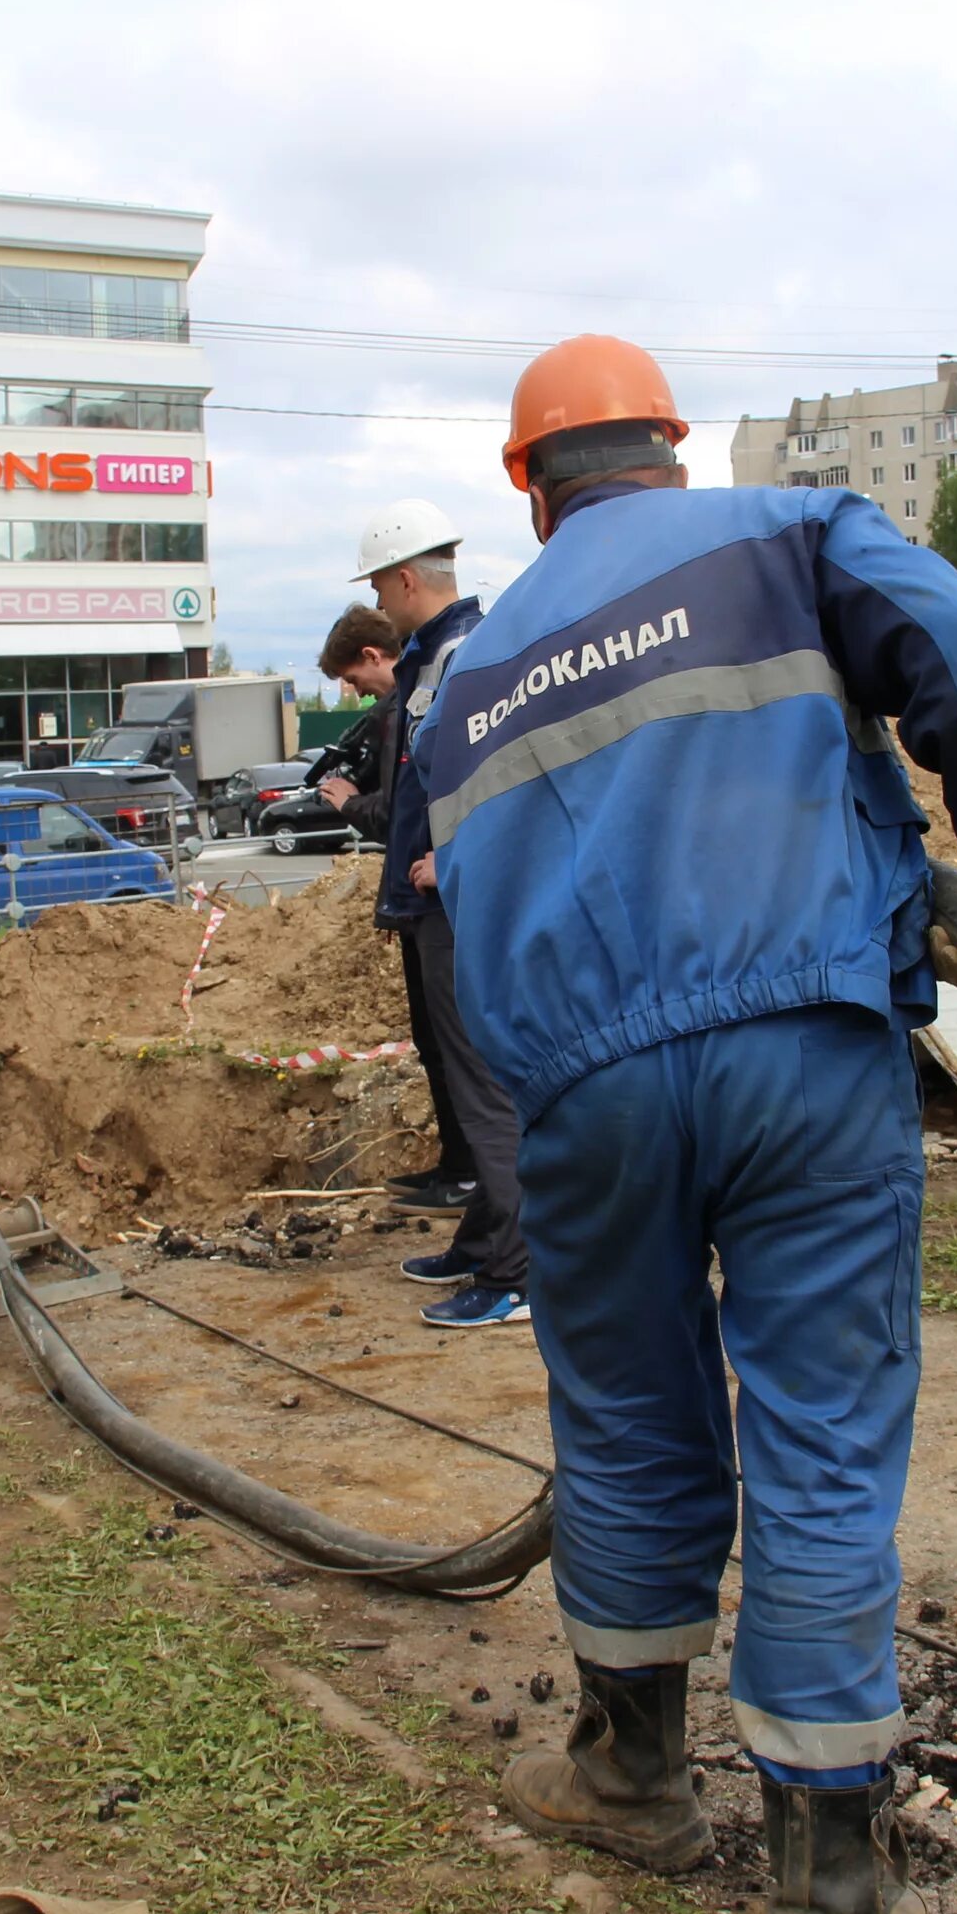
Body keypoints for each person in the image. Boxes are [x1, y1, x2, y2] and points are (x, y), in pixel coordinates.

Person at [411, 336, 957, 1914]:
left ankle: (631, 1778)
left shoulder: (471, 675)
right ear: (675, 446)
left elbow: (464, 912)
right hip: (799, 1043)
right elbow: (955, 655)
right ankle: (828, 1888)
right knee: (820, 1438)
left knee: (631, 1425)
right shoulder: (796, 532)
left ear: (527, 487)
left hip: (577, 1097)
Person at [329, 498, 531, 1330]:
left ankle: (518, 1274)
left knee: (484, 1090)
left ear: (407, 578)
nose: (380, 597)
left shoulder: (468, 656)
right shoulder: (434, 658)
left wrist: (461, 854)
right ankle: (487, 1243)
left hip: (462, 897)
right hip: (433, 898)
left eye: (382, 583)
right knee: (462, 1078)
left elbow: (511, 767)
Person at [316, 602, 481, 1226]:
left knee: (453, 1051)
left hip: (434, 901)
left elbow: (403, 815)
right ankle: (459, 1170)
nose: (357, 694)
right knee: (435, 1046)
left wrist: (350, 803)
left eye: (355, 680)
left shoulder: (415, 708)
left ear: (372, 657)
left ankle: (470, 1179)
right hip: (416, 901)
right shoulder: (407, 706)